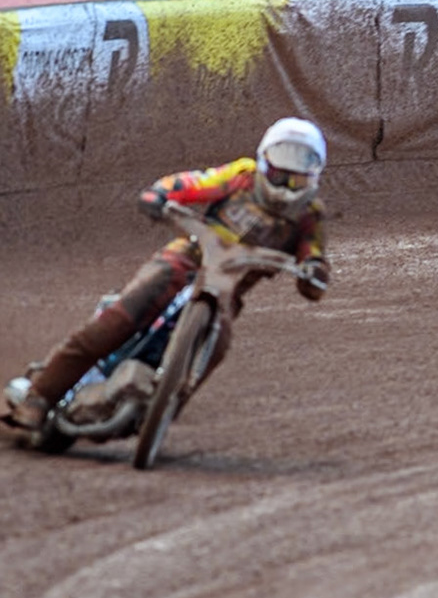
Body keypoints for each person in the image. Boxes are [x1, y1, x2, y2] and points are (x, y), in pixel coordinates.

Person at [3, 117, 332, 432]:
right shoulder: (242, 176)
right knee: (120, 318)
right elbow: (196, 182)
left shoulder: (310, 215)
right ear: (264, 160)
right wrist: (161, 194)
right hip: (187, 258)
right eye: (281, 165)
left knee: (218, 344)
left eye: (299, 170)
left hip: (229, 288)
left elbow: (313, 259)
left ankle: (165, 409)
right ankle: (39, 396)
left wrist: (313, 272)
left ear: (315, 173)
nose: (288, 178)